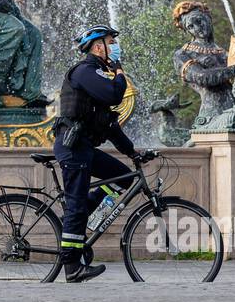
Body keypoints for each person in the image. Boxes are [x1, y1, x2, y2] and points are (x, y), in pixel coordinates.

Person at [53, 25, 158, 283]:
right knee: (75, 205)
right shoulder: (85, 71)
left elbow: (109, 125)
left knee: (123, 177)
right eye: (111, 41)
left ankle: (84, 210)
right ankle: (72, 267)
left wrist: (132, 152)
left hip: (84, 148)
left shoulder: (97, 75)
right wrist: (119, 71)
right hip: (73, 147)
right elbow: (114, 95)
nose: (114, 46)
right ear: (98, 46)